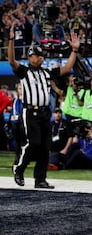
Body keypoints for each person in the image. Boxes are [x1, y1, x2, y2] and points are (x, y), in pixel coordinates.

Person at [8, 20, 80, 189]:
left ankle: (40, 179)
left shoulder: (47, 72)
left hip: (44, 112)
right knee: (33, 143)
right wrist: (11, 40)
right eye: (36, 55)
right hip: (30, 111)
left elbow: (67, 67)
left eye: (41, 55)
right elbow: (11, 61)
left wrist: (74, 50)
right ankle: (19, 168)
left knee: (45, 147)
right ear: (30, 57)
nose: (40, 58)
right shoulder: (24, 71)